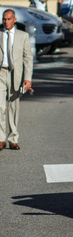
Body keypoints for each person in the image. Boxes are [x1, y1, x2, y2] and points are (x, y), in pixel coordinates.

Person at [0, 9, 33, 151]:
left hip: (16, 75)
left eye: (9, 19)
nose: (6, 22)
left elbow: (28, 58)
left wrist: (27, 79)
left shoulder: (23, 36)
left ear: (14, 20)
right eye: (4, 19)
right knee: (0, 107)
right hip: (1, 73)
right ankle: (1, 138)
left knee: (13, 108)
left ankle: (13, 138)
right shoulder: (0, 34)